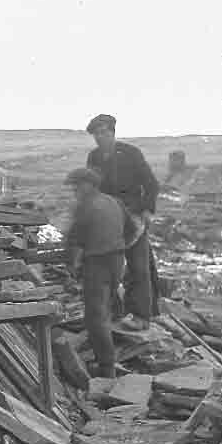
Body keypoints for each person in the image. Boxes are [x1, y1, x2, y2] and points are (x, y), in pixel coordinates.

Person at [83, 113, 160, 326]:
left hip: (133, 216)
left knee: (138, 267)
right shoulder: (94, 157)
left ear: (112, 132)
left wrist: (147, 211)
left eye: (104, 132)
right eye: (96, 134)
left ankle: (141, 316)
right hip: (107, 219)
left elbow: (151, 185)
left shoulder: (130, 153)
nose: (100, 137)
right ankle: (114, 314)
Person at [64, 166, 129, 379]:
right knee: (105, 311)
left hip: (97, 264)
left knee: (95, 318)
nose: (74, 191)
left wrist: (71, 268)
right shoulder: (114, 202)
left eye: (77, 186)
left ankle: (107, 370)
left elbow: (75, 241)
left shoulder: (86, 206)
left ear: (89, 185)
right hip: (117, 261)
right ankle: (106, 359)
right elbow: (132, 230)